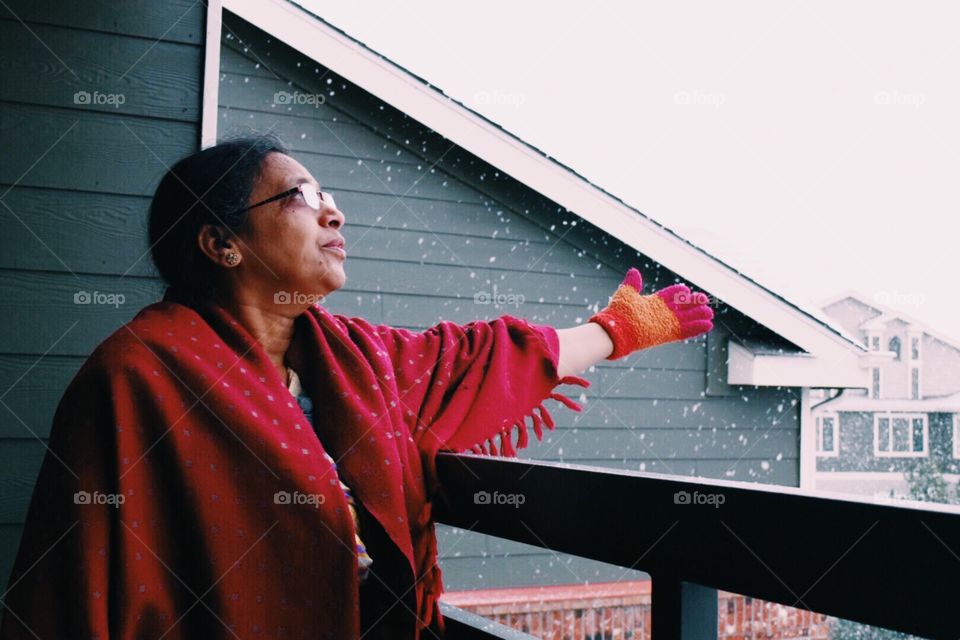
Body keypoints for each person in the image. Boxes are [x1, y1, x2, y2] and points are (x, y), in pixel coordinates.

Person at [0, 135, 714, 639]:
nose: (334, 212)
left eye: (331, 195)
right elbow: (75, 591)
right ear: (222, 243)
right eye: (301, 197)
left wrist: (619, 330)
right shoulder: (135, 375)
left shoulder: (354, 357)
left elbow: (470, 360)